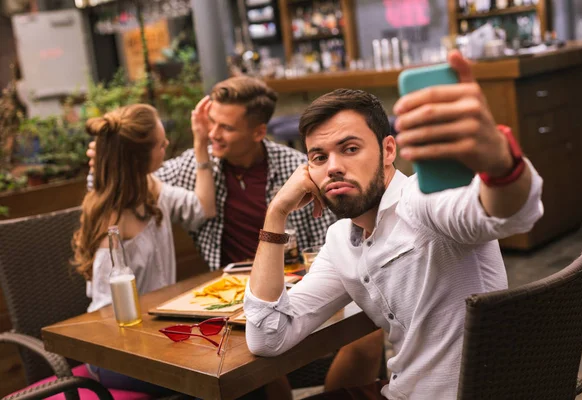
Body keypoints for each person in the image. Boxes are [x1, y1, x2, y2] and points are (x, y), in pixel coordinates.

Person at [243, 50, 544, 399]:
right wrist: (276, 212)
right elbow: (268, 336)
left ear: (388, 151)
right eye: (319, 157)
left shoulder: (421, 200)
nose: (333, 167)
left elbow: (509, 211)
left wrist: (501, 162)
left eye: (350, 148)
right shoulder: (341, 240)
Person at [86, 76, 385, 398]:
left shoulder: (298, 166)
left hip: (303, 281)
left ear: (258, 132)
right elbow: (123, 182)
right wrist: (107, 156)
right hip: (224, 300)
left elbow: (336, 233)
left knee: (366, 336)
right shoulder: (194, 167)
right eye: (211, 123)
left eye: (225, 127)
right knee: (256, 347)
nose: (213, 133)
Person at [72, 103, 216, 394]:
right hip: (116, 355)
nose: (166, 145)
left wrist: (200, 144)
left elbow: (202, 209)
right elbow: (104, 314)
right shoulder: (111, 224)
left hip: (157, 338)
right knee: (207, 374)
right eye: (160, 144)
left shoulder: (151, 187)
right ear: (137, 158)